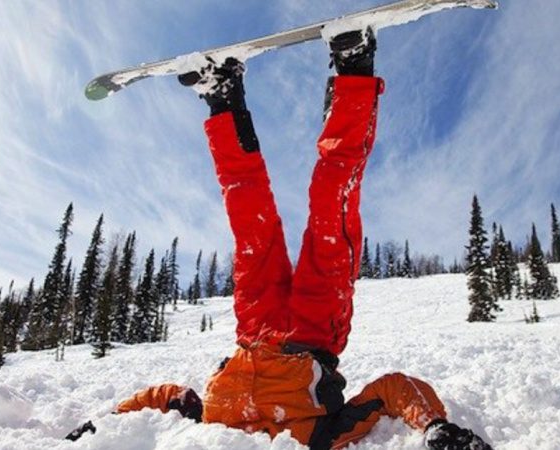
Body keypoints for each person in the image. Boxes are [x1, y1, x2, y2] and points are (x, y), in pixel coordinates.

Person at [71, 29, 492, 450]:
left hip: (254, 326)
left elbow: (167, 399)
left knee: (244, 206)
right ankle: (355, 68)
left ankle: (223, 94)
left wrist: (105, 425)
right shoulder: (319, 439)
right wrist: (437, 427)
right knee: (333, 196)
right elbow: (392, 390)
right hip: (315, 328)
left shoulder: (211, 431)